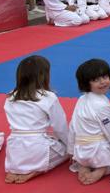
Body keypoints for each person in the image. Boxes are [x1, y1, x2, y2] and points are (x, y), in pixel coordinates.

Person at [4, 56, 68, 184]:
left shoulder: (10, 96)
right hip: (37, 147)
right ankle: (36, 170)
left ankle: (17, 169)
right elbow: (60, 127)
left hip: (14, 148)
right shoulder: (49, 97)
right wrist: (71, 146)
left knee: (47, 136)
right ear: (44, 75)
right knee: (67, 151)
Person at [68, 59, 110, 185]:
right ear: (86, 83)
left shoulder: (81, 99)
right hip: (98, 152)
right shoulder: (101, 105)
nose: (102, 82)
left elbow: (73, 126)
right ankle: (102, 168)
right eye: (96, 80)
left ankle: (84, 165)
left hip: (81, 151)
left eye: (105, 77)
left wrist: (71, 150)